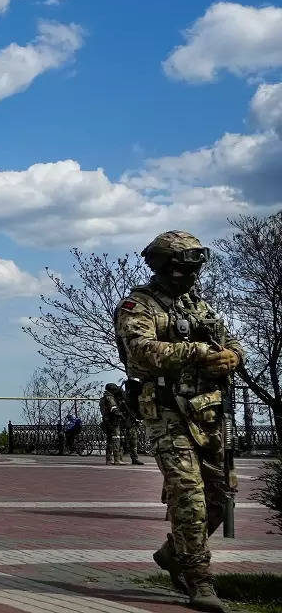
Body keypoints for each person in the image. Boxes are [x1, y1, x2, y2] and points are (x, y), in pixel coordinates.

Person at [115, 230, 243, 613]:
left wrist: (232, 357)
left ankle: (173, 553)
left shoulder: (197, 307)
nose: (190, 277)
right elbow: (139, 352)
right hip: (168, 413)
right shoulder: (138, 306)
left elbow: (229, 342)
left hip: (208, 412)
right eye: (182, 270)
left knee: (221, 497)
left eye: (194, 270)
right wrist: (199, 353)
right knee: (189, 495)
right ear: (164, 268)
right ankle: (198, 579)